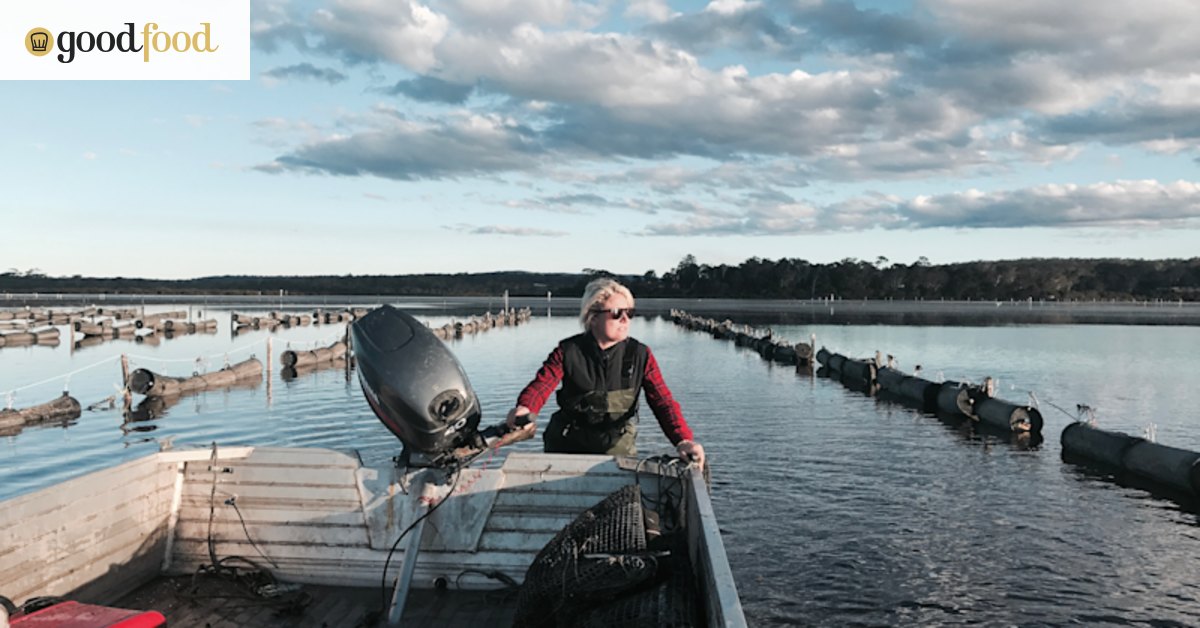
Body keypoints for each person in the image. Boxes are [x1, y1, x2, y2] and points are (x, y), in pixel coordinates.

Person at [506, 278, 706, 467]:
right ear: (592, 317)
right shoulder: (567, 351)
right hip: (566, 444)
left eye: (629, 312)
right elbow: (542, 385)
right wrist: (525, 408)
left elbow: (663, 402)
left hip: (617, 445)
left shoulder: (641, 355)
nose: (625, 319)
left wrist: (683, 440)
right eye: (617, 312)